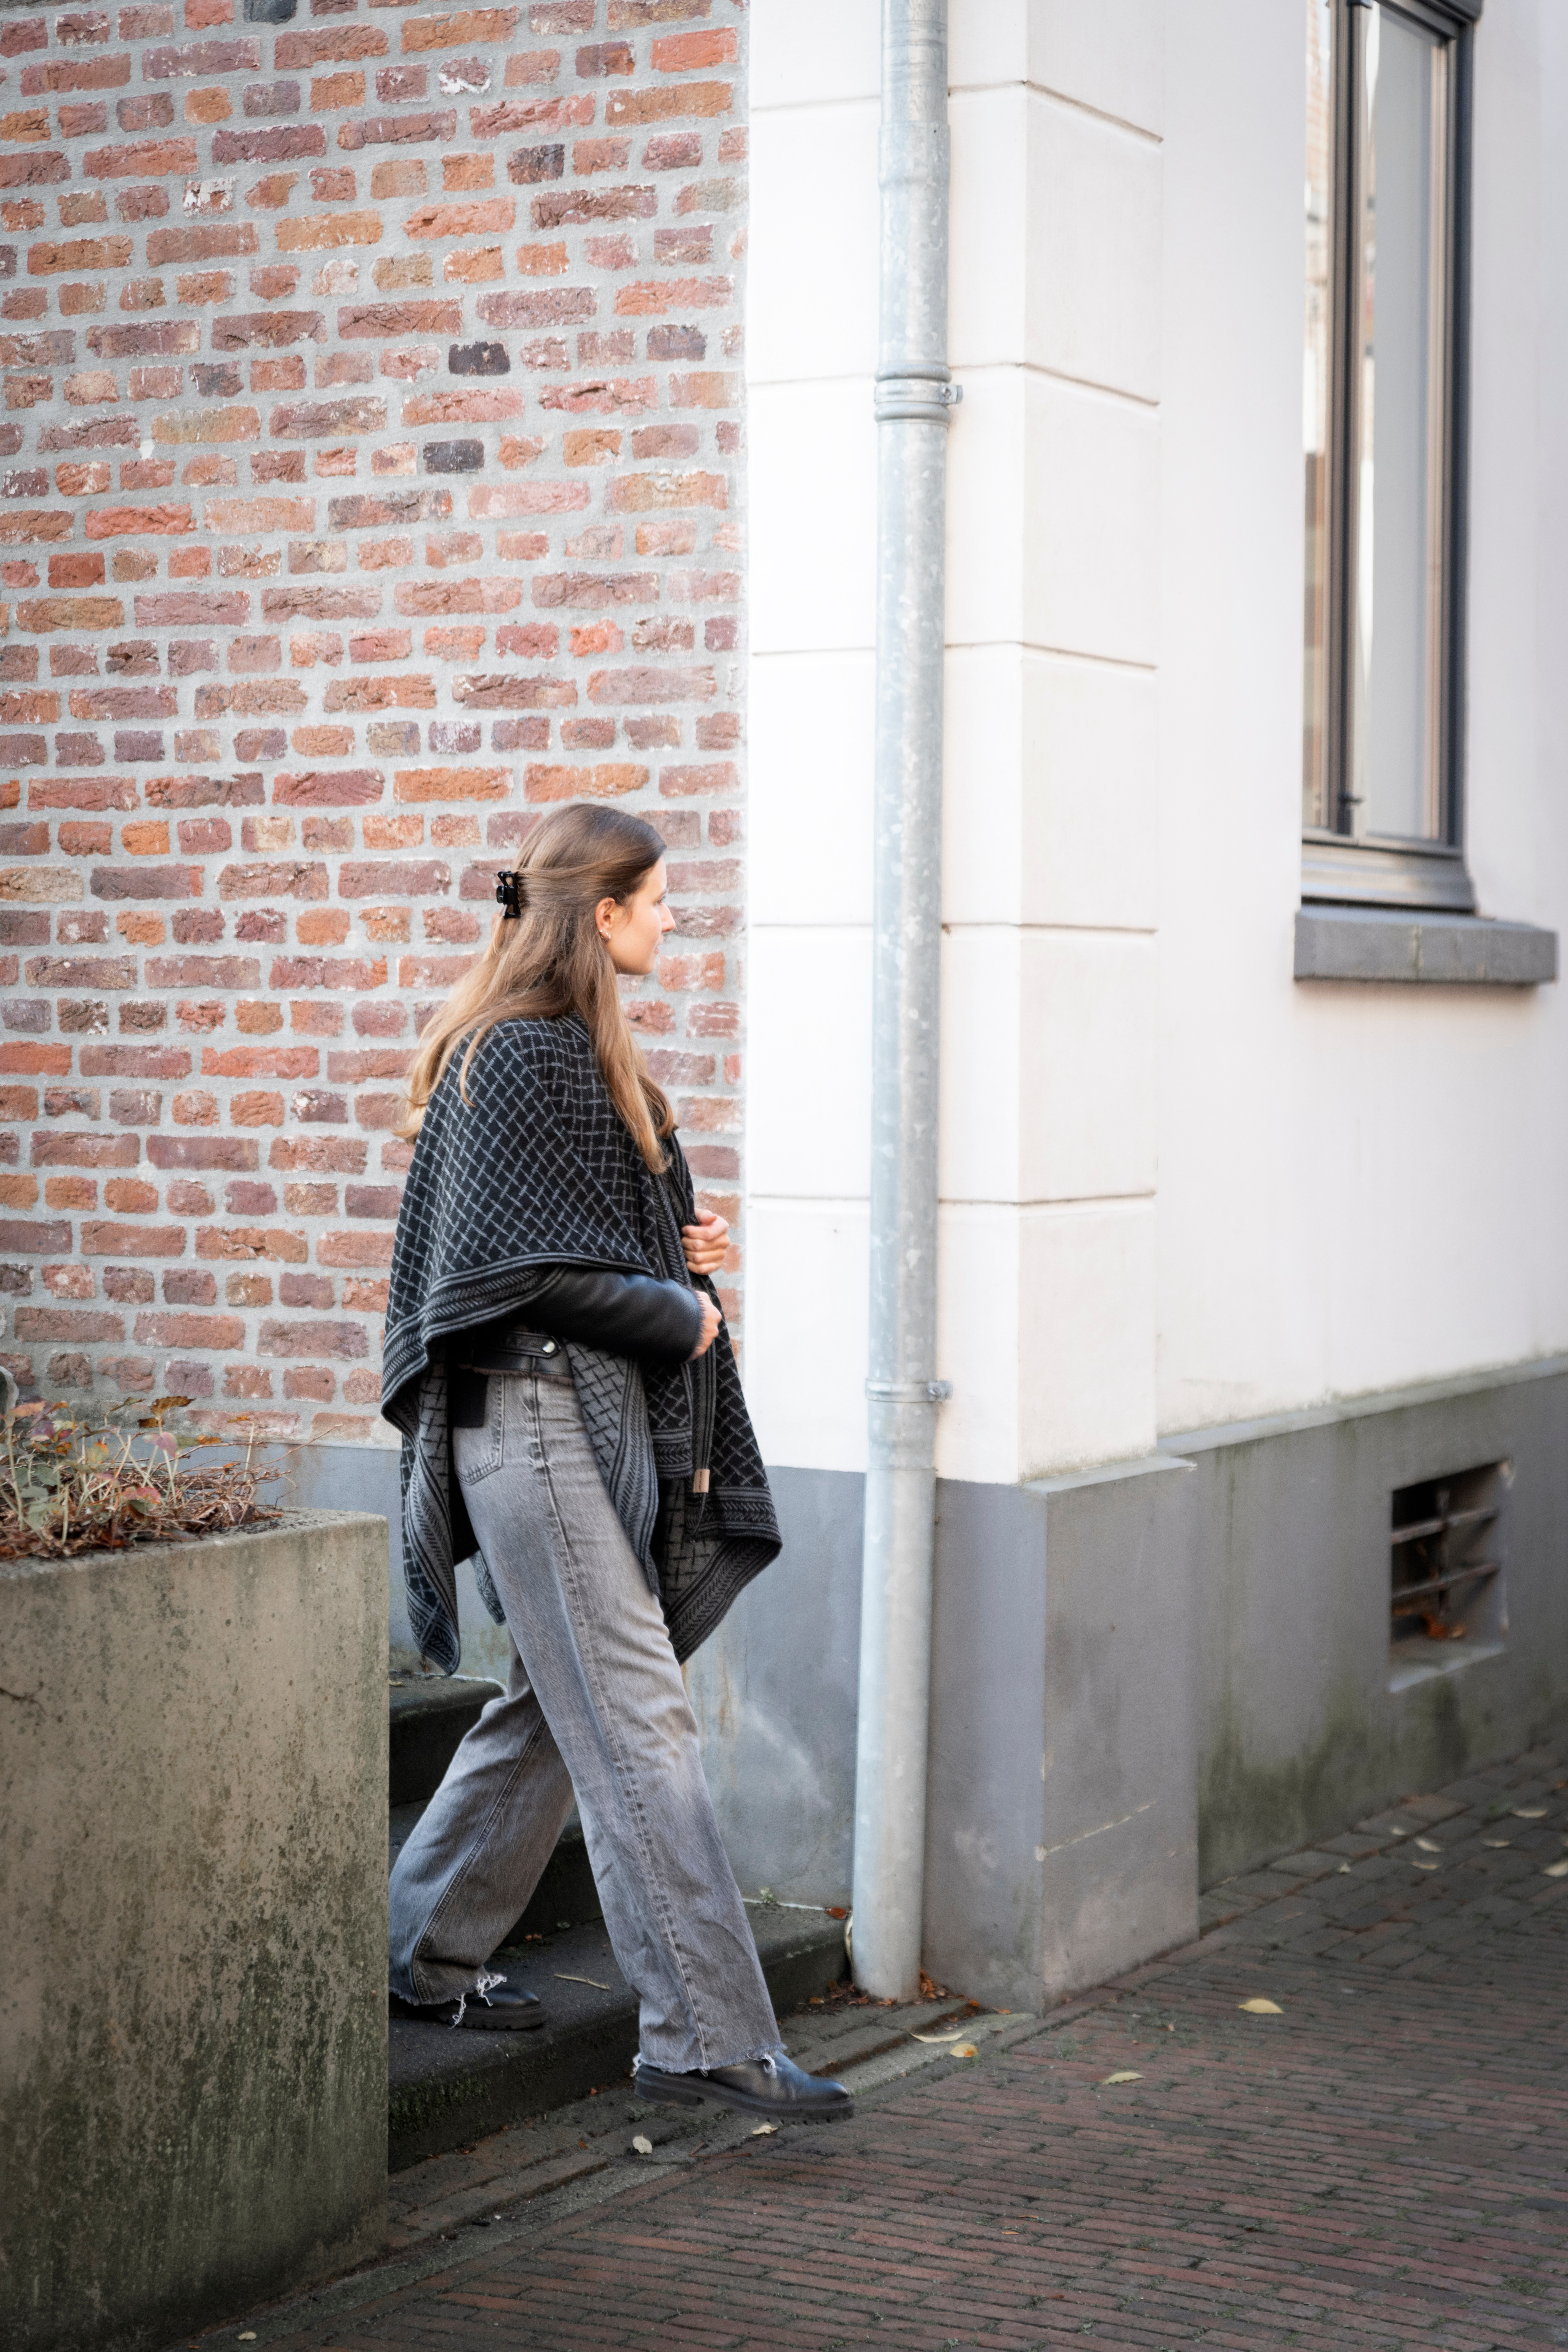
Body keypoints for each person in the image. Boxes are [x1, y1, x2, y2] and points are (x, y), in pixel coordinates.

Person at [381, 802, 851, 2124]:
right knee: (639, 1720)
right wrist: (675, 1310)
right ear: (602, 914)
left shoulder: (579, 1054)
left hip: (565, 1422)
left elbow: (587, 1237)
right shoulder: (520, 1057)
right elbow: (506, 1270)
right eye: (656, 901)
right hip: (533, 1424)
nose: (670, 918)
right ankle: (702, 2035)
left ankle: (425, 1956)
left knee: (554, 1705)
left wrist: (677, 1256)